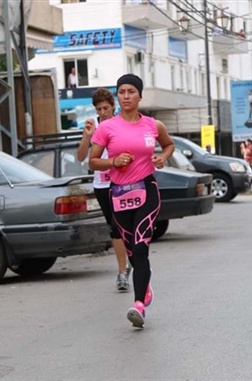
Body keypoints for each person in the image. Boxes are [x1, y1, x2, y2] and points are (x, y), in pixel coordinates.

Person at [89, 74, 175, 328]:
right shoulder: (106, 128)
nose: (126, 96)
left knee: (140, 247)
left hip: (147, 190)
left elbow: (168, 145)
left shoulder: (152, 125)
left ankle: (139, 305)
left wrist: (163, 157)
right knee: (132, 252)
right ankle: (144, 282)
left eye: (131, 91)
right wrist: (113, 162)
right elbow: (92, 161)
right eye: (122, 92)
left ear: (139, 95)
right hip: (119, 192)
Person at [76, 88, 130, 292]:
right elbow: (81, 157)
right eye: (99, 109)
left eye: (106, 108)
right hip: (102, 184)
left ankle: (132, 260)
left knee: (128, 225)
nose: (103, 112)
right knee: (115, 226)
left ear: (113, 106)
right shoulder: (93, 127)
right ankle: (122, 271)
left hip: (123, 182)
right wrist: (86, 137)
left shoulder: (121, 124)